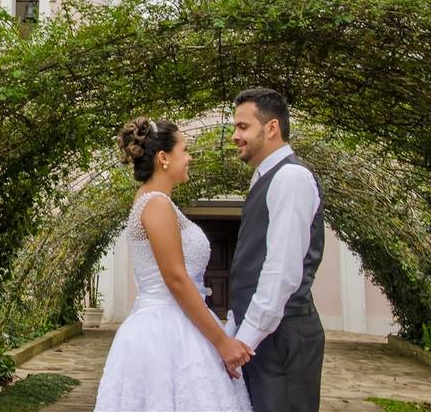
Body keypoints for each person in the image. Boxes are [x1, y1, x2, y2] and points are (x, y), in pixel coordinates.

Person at [94, 117, 254, 412]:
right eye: (185, 149)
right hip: (165, 333)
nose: (190, 157)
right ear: (164, 158)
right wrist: (222, 342)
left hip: (179, 323)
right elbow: (176, 279)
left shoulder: (159, 202)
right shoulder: (156, 204)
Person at [228, 88, 325, 412]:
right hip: (269, 338)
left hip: (283, 340)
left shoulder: (290, 178)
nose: (234, 136)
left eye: (243, 127)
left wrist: (245, 340)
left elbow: (281, 271)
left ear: (271, 128)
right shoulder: (266, 178)